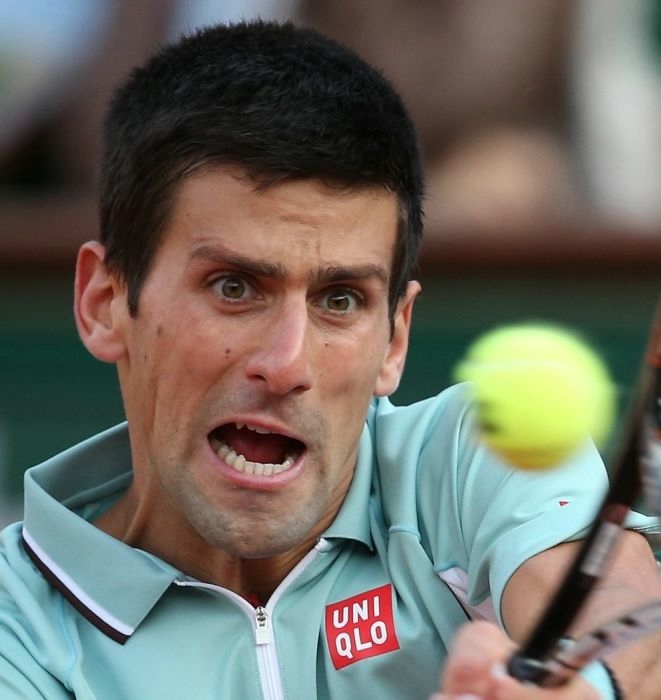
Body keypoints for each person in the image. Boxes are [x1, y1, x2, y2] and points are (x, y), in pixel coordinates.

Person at [0, 20, 660, 699]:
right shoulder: (16, 628)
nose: (286, 364)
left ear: (394, 338)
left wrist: (584, 693)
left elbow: (630, 629)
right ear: (105, 302)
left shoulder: (478, 455)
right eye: (234, 288)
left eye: (340, 300)